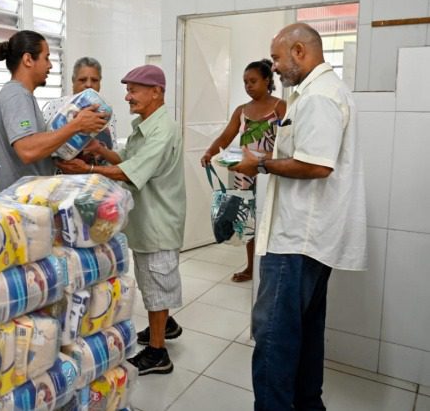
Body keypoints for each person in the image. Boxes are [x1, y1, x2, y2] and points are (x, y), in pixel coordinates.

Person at [230, 23, 367, 410]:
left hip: (297, 240)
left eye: (276, 58)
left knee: (274, 337)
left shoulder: (319, 96)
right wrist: (268, 160)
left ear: (300, 52)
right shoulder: (316, 92)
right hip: (310, 238)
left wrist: (261, 165)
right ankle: (308, 404)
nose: (273, 67)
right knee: (304, 332)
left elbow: (316, 166)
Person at [57, 65, 186, 376]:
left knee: (156, 283)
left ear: (156, 91)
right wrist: (101, 150)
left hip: (159, 220)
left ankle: (158, 352)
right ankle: (163, 324)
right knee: (152, 282)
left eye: (134, 90)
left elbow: (132, 171)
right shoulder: (146, 125)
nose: (127, 96)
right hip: (147, 220)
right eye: (127, 89)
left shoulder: (163, 130)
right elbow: (128, 157)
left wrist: (86, 170)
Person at [200, 60, 285, 282]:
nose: (248, 86)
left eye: (253, 81)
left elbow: (288, 142)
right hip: (245, 176)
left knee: (272, 221)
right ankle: (251, 268)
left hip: (272, 173)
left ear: (268, 80)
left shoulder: (281, 107)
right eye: (245, 82)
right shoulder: (242, 110)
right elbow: (226, 136)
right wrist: (210, 152)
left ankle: (271, 271)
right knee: (248, 221)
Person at [0, 31, 108, 189]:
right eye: (46, 58)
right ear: (28, 60)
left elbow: (36, 147)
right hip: (17, 203)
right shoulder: (16, 95)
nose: (50, 65)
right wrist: (76, 125)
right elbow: (27, 150)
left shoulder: (24, 96)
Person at [41, 56, 117, 152]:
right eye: (82, 80)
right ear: (73, 81)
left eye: (94, 80)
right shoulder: (55, 106)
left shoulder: (106, 113)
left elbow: (113, 150)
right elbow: (42, 145)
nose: (89, 85)